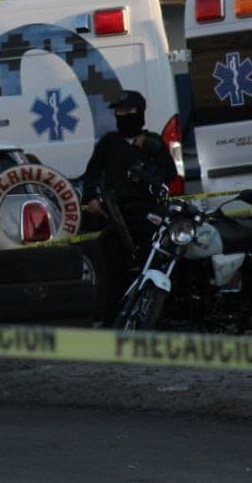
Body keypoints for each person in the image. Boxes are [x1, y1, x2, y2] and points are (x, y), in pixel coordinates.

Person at [80, 89, 178, 325]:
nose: (123, 115)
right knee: (112, 268)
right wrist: (91, 198)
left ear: (140, 113)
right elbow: (91, 176)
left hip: (149, 217)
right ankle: (109, 318)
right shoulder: (108, 144)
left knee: (156, 265)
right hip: (118, 218)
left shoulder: (152, 142)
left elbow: (170, 173)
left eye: (128, 111)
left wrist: (152, 148)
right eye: (119, 111)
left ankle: (160, 316)